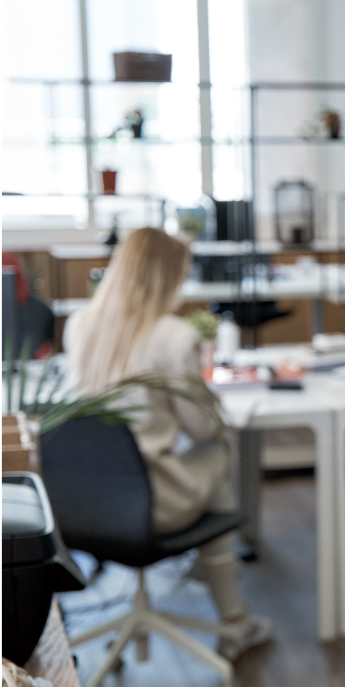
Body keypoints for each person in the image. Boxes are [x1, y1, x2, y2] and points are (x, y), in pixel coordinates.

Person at [65, 228, 272, 660]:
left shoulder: (80, 325)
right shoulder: (173, 336)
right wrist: (209, 400)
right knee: (218, 449)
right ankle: (231, 613)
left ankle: (213, 574)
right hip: (149, 502)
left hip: (83, 501)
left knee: (203, 460)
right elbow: (199, 429)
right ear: (167, 276)